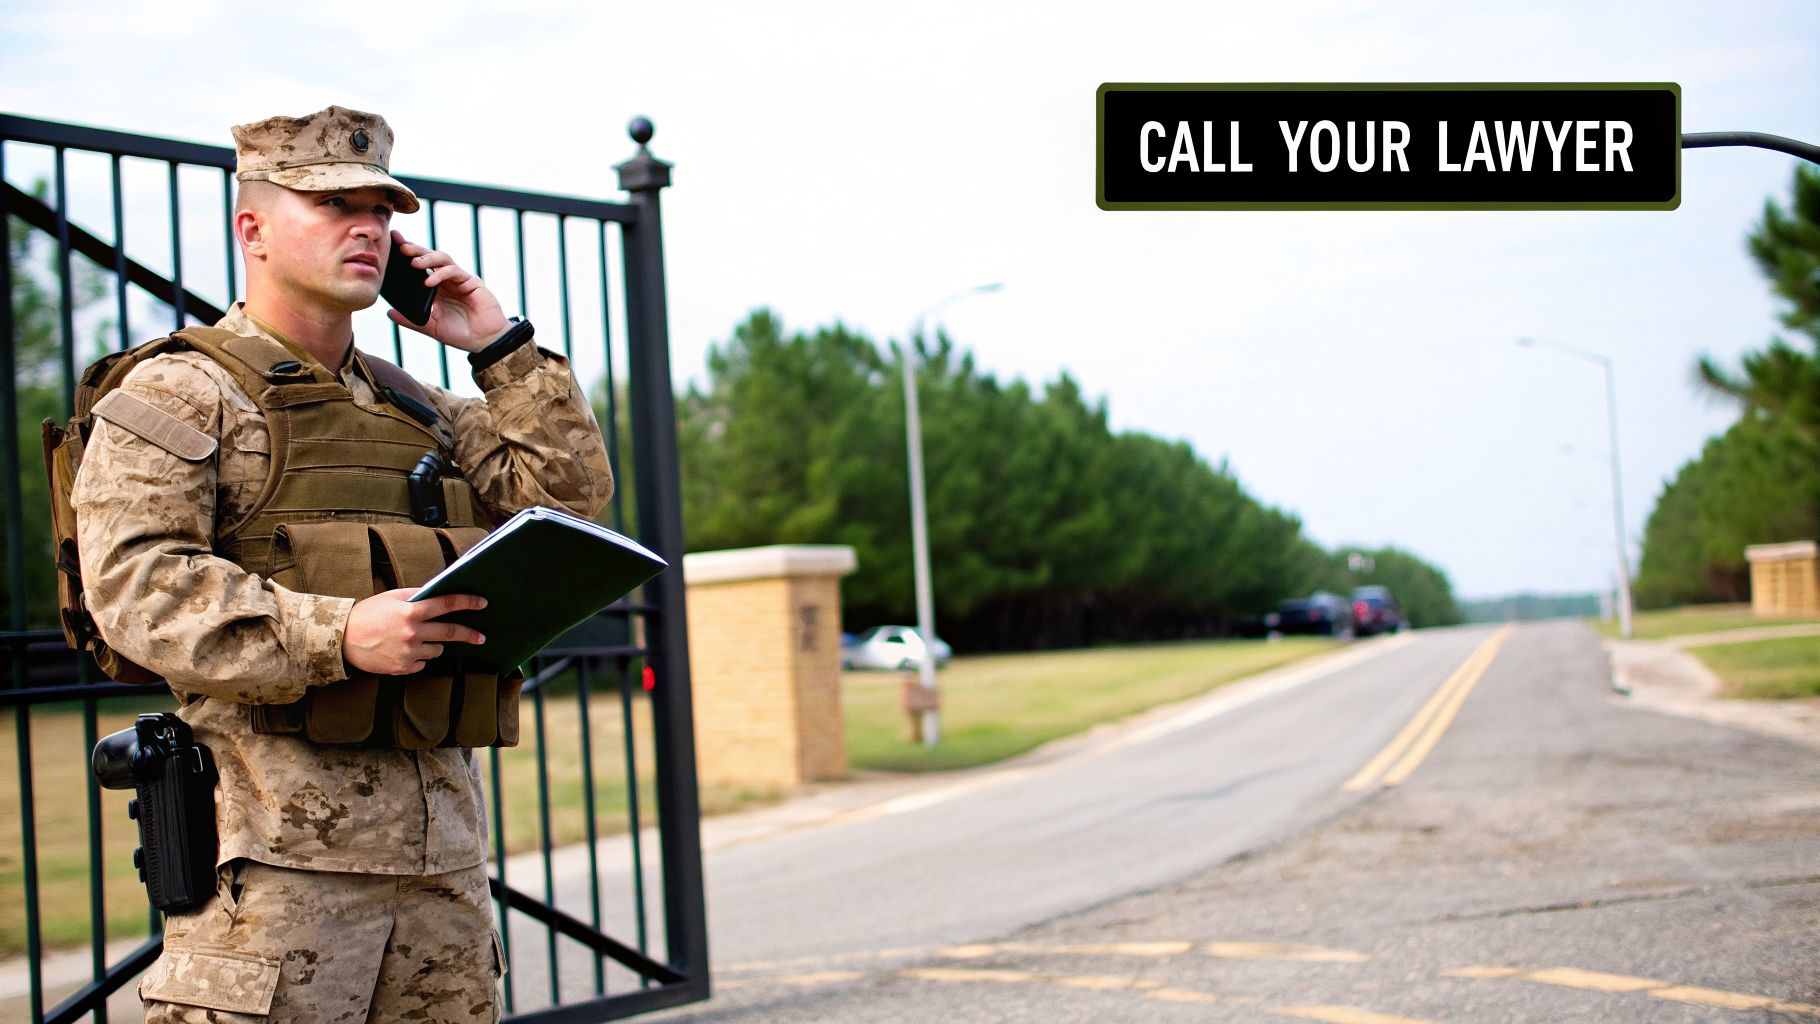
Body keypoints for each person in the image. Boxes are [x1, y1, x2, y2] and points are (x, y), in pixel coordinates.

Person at [71, 105, 614, 1022]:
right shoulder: (180, 391)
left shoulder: (422, 411)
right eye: (333, 206)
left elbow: (565, 503)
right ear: (252, 228)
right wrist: (341, 632)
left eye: (381, 210)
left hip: (440, 873)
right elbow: (134, 587)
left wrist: (498, 347)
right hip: (274, 884)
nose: (368, 228)